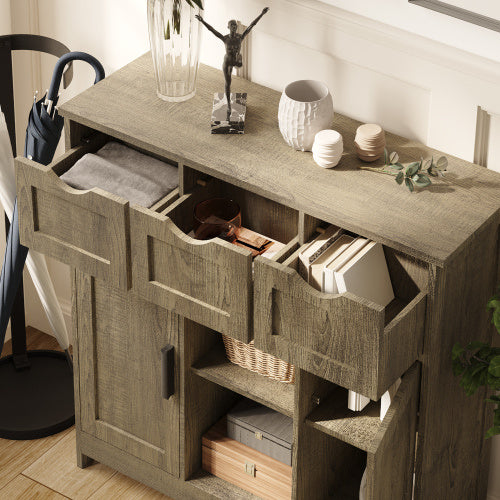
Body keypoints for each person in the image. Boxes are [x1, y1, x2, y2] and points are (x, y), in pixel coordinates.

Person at [196, 8, 269, 117]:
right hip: (227, 62)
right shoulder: (225, 38)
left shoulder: (240, 37)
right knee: (227, 83)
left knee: (239, 60)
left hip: (236, 60)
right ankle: (229, 105)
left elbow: (251, 25)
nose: (234, 27)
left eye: (235, 25)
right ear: (228, 27)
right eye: (232, 25)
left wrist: (262, 14)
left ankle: (238, 61)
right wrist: (202, 21)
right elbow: (212, 30)